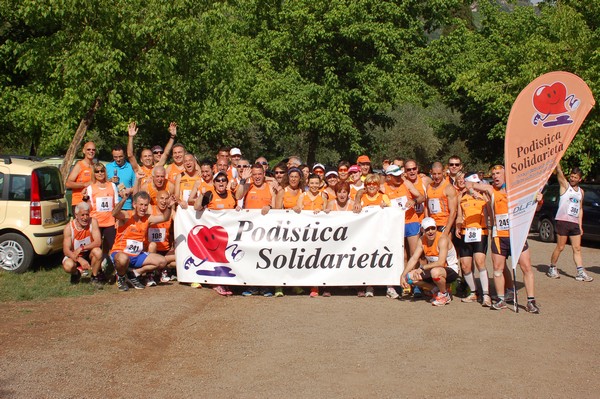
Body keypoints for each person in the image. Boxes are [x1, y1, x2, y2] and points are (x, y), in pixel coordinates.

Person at [468, 165, 540, 313]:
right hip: (498, 236)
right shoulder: (490, 190)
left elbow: (535, 207)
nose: (495, 176)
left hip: (516, 235)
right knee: (498, 269)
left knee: (526, 267)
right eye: (493, 174)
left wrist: (539, 200)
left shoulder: (517, 191)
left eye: (498, 173)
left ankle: (531, 301)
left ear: (506, 175)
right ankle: (501, 299)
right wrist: (471, 187)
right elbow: (469, 184)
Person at [110, 191, 173, 291]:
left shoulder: (147, 218)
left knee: (162, 261)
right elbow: (114, 213)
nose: (143, 208)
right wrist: (124, 199)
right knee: (123, 258)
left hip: (137, 255)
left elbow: (165, 217)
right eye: (141, 205)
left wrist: (169, 207)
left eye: (146, 205)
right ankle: (121, 277)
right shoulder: (127, 215)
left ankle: (134, 273)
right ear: (134, 204)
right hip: (120, 252)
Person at [547, 164, 593, 282]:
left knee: (577, 248)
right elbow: (559, 172)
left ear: (580, 179)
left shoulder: (581, 192)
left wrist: (580, 225)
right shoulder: (565, 186)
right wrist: (557, 162)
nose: (572, 179)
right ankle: (552, 267)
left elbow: (580, 209)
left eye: (575, 177)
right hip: (563, 221)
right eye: (571, 176)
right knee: (561, 247)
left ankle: (580, 272)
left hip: (574, 223)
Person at [400, 217, 460, 306]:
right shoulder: (422, 240)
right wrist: (403, 275)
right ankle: (436, 290)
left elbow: (441, 262)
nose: (430, 231)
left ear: (436, 228)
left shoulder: (442, 239)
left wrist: (422, 268)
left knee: (435, 272)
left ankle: (444, 295)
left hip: (450, 269)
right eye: (427, 229)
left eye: (433, 228)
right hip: (434, 269)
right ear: (423, 230)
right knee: (410, 277)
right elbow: (414, 258)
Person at [236, 163, 275, 296]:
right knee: (250, 257)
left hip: (267, 230)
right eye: (255, 174)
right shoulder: (248, 185)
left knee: (265, 257)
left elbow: (276, 205)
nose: (257, 177)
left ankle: (265, 286)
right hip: (250, 230)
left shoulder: (270, 187)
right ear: (251, 175)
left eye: (260, 174)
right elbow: (238, 196)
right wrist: (243, 180)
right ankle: (251, 285)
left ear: (264, 174)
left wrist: (270, 207)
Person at [455, 172, 492, 307]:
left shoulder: (484, 195)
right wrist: (457, 226)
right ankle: (473, 292)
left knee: (480, 261)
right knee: (465, 265)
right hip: (466, 232)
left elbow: (490, 211)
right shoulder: (462, 197)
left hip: (480, 231)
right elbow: (460, 215)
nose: (476, 185)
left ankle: (486, 294)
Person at [295, 173, 327, 298]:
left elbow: (327, 212)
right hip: (304, 232)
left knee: (316, 260)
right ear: (308, 183)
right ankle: (297, 284)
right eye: (312, 183)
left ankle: (315, 287)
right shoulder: (302, 195)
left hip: (318, 233)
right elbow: (297, 208)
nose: (314, 186)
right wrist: (297, 208)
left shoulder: (323, 196)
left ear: (320, 184)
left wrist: (322, 212)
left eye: (316, 183)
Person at [85, 163, 119, 266]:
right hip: (96, 223)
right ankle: (97, 270)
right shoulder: (90, 188)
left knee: (113, 247)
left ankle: (116, 270)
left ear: (105, 172)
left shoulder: (112, 186)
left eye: (102, 171)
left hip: (110, 222)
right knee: (96, 249)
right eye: (97, 171)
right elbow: (88, 206)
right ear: (94, 174)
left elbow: (116, 204)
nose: (100, 173)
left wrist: (117, 220)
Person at [62, 202, 103, 286]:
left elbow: (98, 242)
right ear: (76, 215)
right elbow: (66, 250)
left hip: (89, 253)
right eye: (82, 215)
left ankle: (94, 277)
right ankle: (76, 273)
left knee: (98, 252)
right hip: (75, 255)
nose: (85, 218)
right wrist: (79, 260)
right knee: (68, 265)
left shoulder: (93, 222)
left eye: (87, 215)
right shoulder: (68, 228)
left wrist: (82, 248)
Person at [126, 121, 175, 187]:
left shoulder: (156, 168)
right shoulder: (139, 169)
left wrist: (172, 137)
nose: (148, 158)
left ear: (153, 158)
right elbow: (130, 155)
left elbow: (165, 154)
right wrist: (131, 137)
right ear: (141, 159)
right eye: (145, 156)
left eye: (149, 156)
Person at [147, 190, 177, 286]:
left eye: (166, 199)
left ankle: (163, 268)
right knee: (153, 245)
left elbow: (180, 222)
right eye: (161, 198)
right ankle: (150, 274)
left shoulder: (171, 211)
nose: (164, 201)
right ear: (156, 199)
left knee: (179, 257)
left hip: (165, 249)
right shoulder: (150, 209)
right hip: (151, 249)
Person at [426, 162, 457, 234]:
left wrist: (447, 230)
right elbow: (426, 207)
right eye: (434, 174)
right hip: (432, 224)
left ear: (443, 172)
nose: (436, 177)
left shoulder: (448, 188)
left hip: (444, 223)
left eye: (439, 174)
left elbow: (453, 211)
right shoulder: (429, 186)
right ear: (431, 173)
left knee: (443, 244)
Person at [66, 141, 96, 215]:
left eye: (93, 150)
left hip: (91, 202)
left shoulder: (94, 166)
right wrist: (84, 184)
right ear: (84, 151)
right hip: (79, 202)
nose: (91, 151)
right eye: (88, 149)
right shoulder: (79, 165)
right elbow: (68, 184)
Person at [105, 145, 136, 210]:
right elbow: (101, 184)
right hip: (111, 205)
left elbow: (136, 187)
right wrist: (110, 180)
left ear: (124, 155)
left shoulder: (131, 167)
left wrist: (129, 191)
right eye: (115, 157)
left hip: (126, 205)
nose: (118, 159)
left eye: (120, 156)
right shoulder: (107, 167)